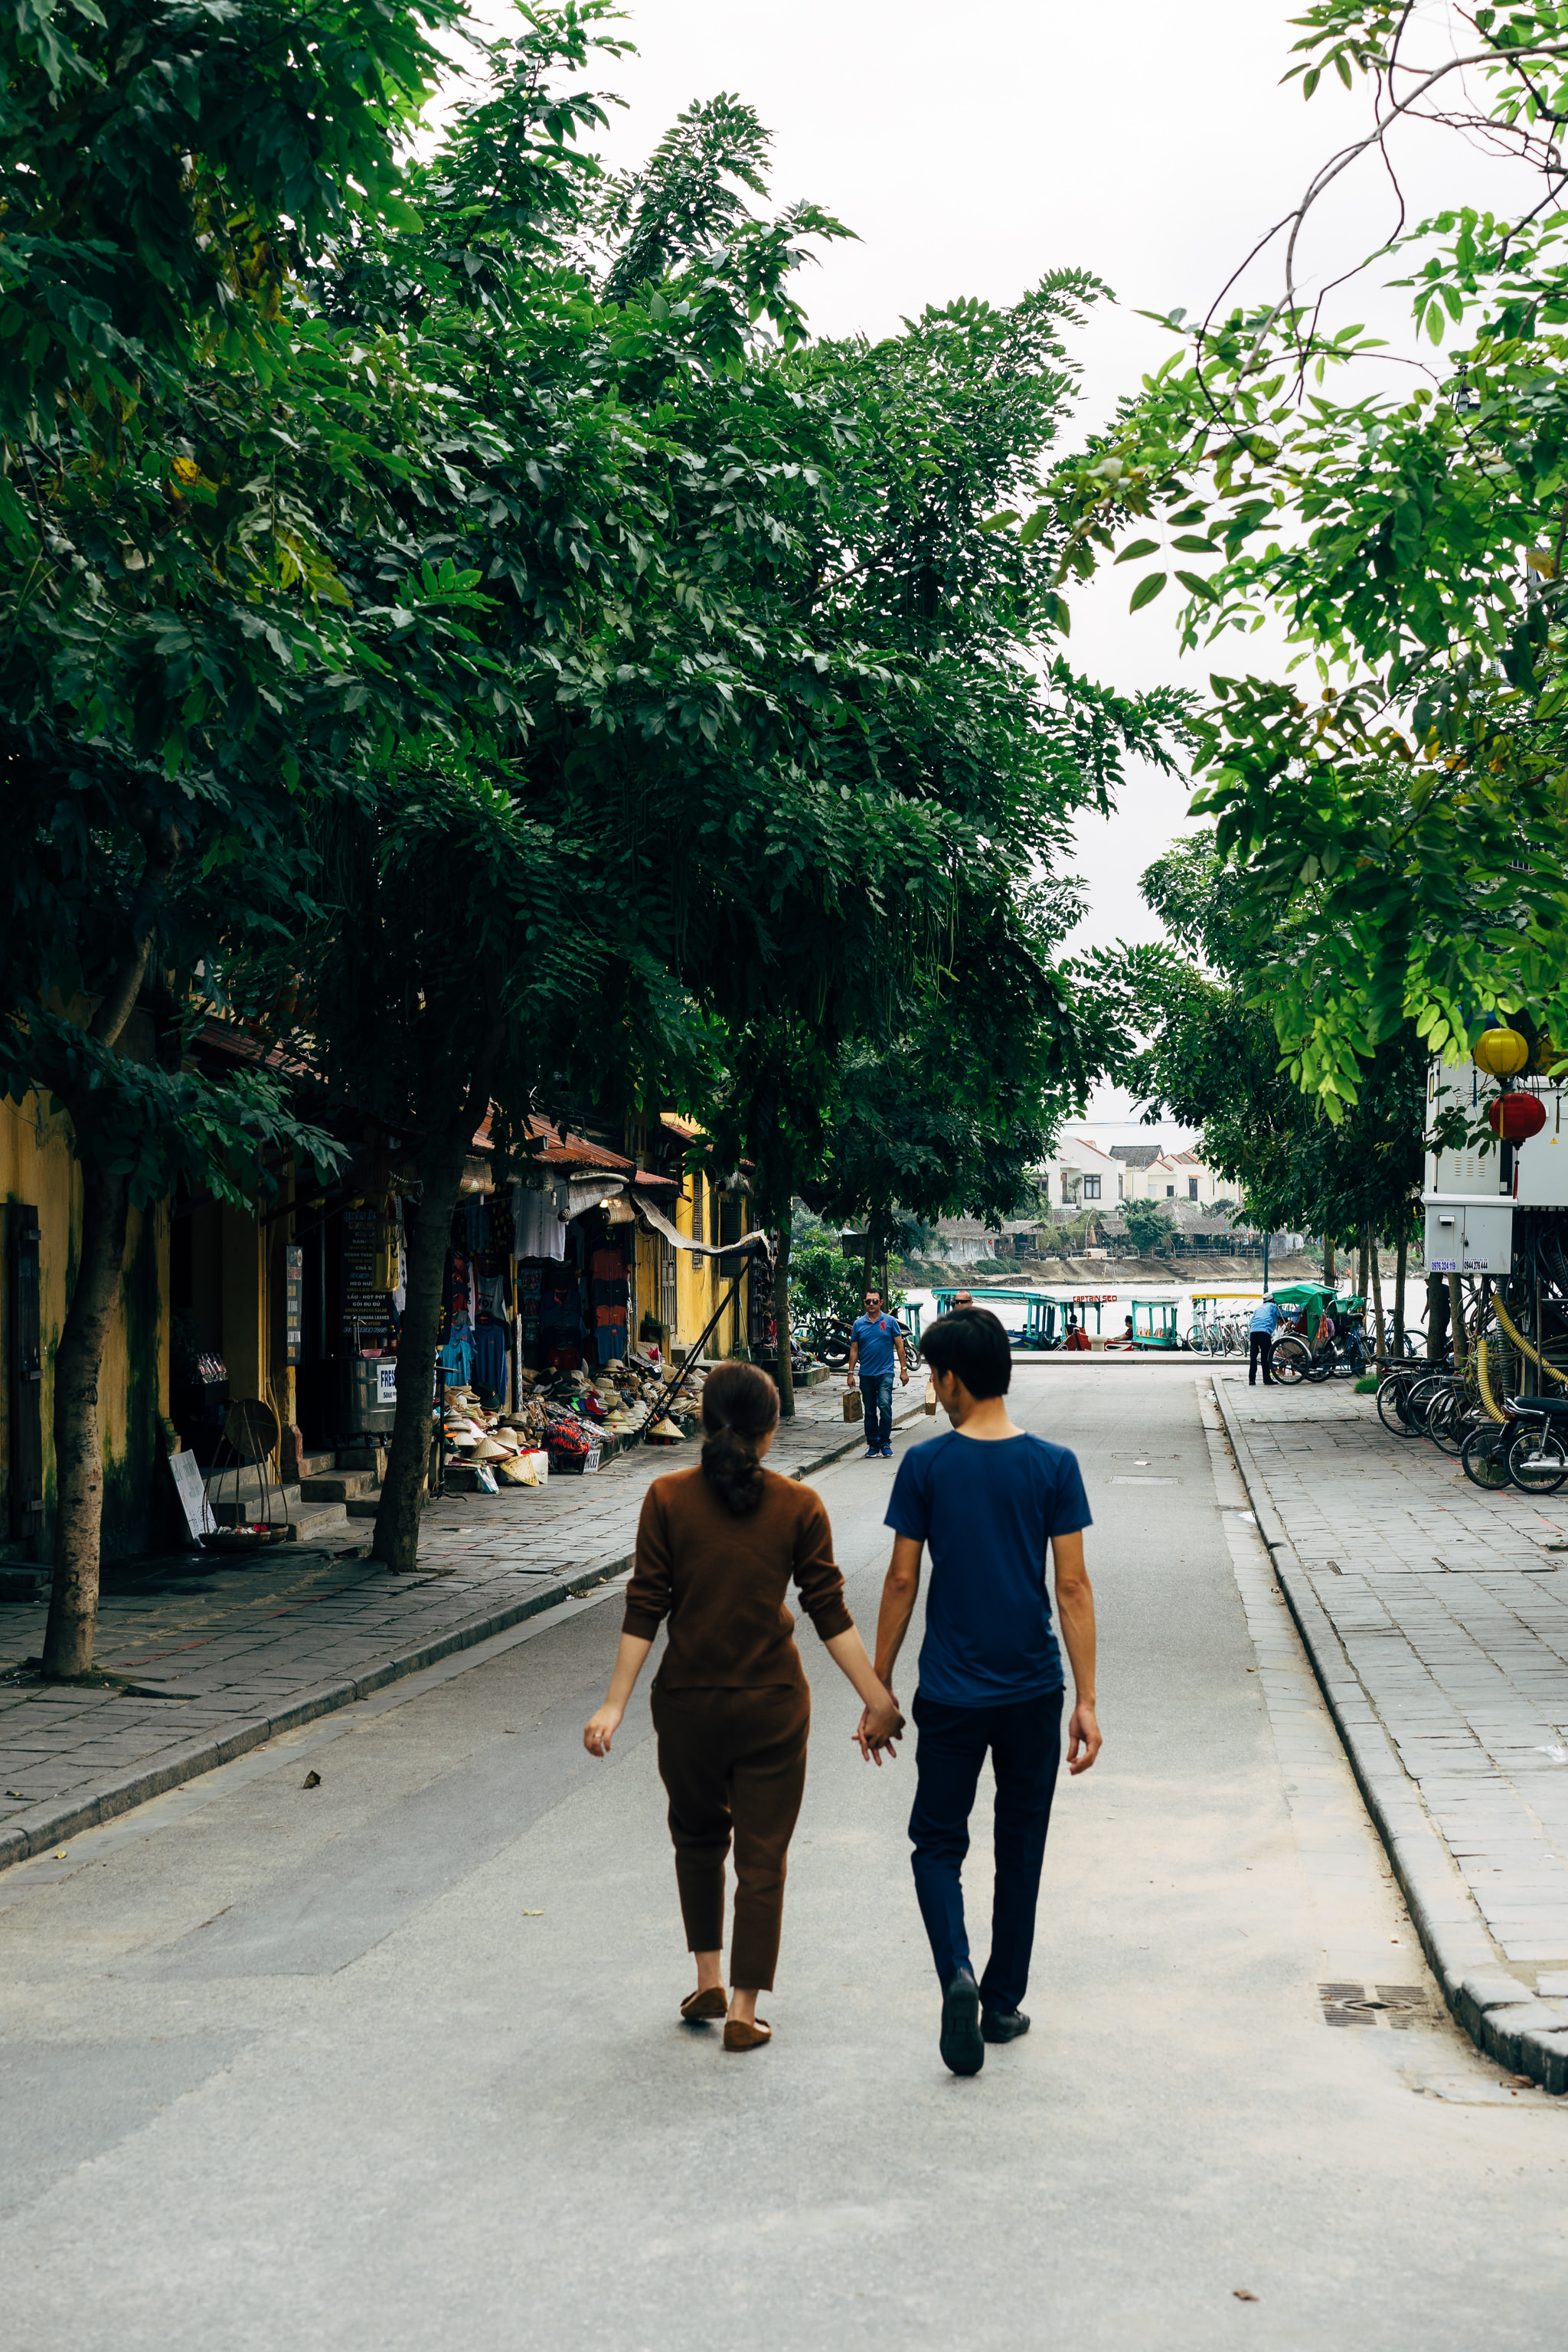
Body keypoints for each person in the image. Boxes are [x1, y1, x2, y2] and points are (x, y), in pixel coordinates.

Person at [583, 1361, 900, 2053]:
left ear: (702, 1420)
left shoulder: (665, 1497)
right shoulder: (799, 1505)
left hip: (688, 1705)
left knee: (697, 1840)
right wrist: (879, 1700)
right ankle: (744, 2009)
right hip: (773, 1707)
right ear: (772, 1427)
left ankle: (708, 1977)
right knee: (763, 1857)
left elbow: (646, 1608)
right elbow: (830, 1614)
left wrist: (614, 1705)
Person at [857, 1307, 1101, 2076]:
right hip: (1032, 1690)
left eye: (933, 1375)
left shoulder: (926, 1467)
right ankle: (998, 2003)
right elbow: (1071, 1588)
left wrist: (878, 1688)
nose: (933, 1386)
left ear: (952, 1381)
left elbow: (901, 1579)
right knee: (1019, 1845)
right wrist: (1086, 1699)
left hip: (952, 1695)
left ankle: (955, 1971)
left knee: (936, 1841)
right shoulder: (1052, 1465)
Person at [846, 1286, 908, 1461]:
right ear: (864, 1302)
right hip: (866, 1374)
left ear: (881, 1302)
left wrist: (904, 1370)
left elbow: (900, 1346)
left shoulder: (890, 1322)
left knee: (885, 1405)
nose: (871, 1304)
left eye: (875, 1301)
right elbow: (854, 1350)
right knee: (870, 1411)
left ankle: (885, 1443)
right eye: (868, 1301)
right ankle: (873, 1445)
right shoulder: (858, 1324)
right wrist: (851, 1373)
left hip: (885, 1373)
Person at [1248, 1293, 1282, 1387]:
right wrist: (1298, 1313)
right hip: (1264, 1332)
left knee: (1253, 1356)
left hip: (1254, 1332)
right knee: (1266, 1356)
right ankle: (1266, 1379)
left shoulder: (1258, 1308)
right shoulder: (1273, 1306)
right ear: (1272, 1300)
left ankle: (1251, 1380)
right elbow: (1283, 1314)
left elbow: (1251, 1323)